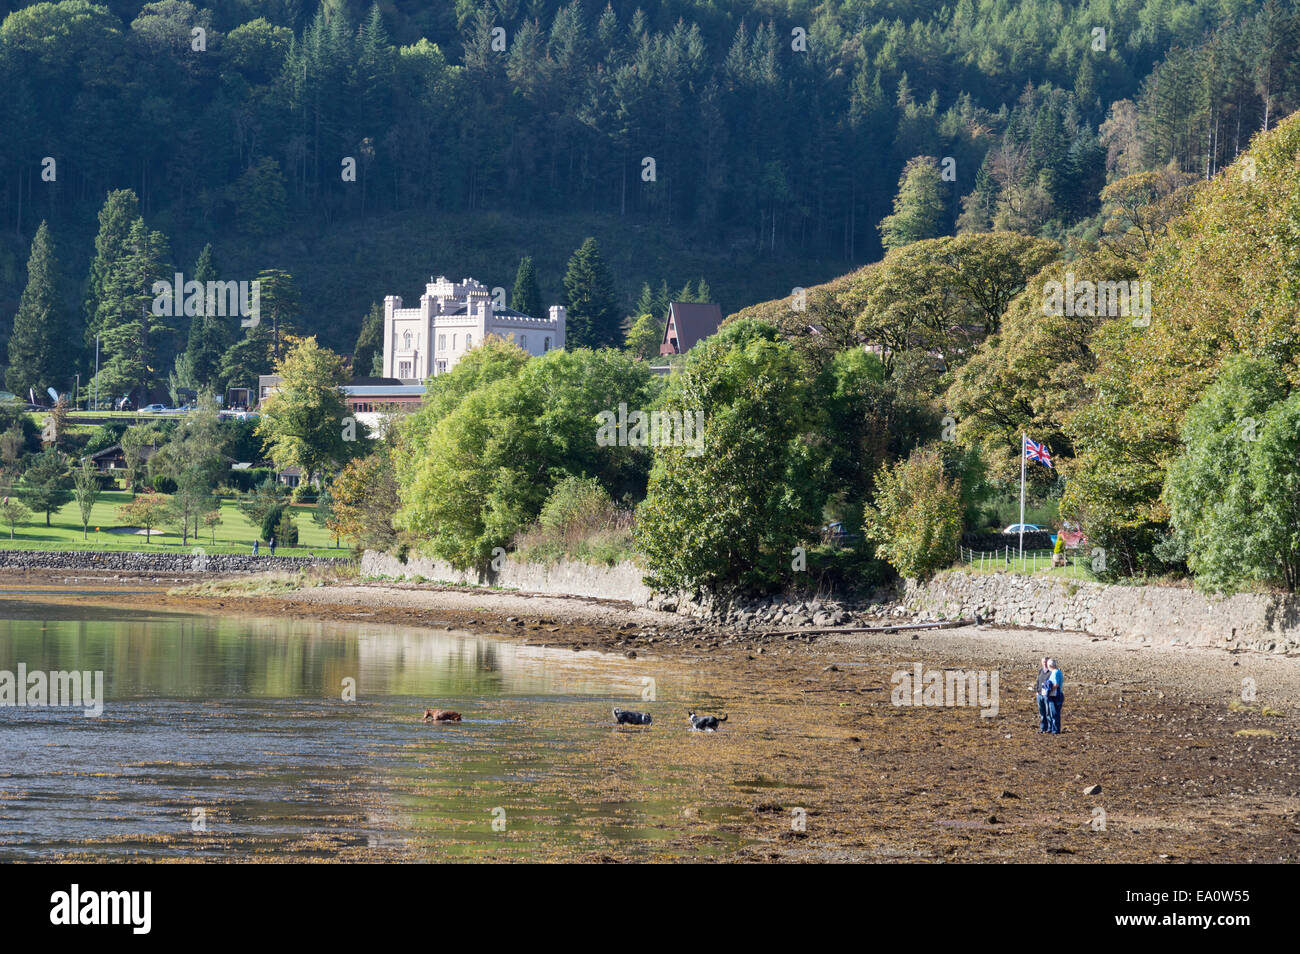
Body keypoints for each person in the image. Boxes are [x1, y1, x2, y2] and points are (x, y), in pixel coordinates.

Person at [1045, 658, 1064, 734]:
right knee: (1055, 713)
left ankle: (1055, 730)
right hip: (1056, 695)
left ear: (1050, 665)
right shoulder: (1058, 672)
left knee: (1054, 713)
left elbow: (1056, 684)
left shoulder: (1055, 673)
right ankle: (1055, 729)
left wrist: (1048, 690)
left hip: (1055, 695)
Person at [1034, 657, 1050, 732]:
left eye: (1046, 662)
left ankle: (1049, 728)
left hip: (1047, 695)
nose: (1045, 663)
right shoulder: (1040, 671)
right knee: (1042, 713)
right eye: (1043, 662)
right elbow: (1038, 681)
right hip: (1039, 694)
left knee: (1048, 712)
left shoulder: (1051, 672)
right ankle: (1043, 728)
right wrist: (1037, 691)